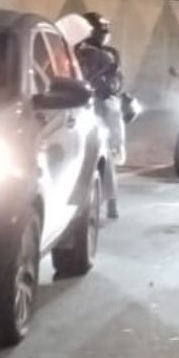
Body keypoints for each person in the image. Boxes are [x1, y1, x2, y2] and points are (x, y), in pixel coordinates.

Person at [74, 12, 125, 219]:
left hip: (82, 108)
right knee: (104, 154)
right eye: (102, 31)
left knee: (99, 153)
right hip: (89, 109)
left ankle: (109, 202)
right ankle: (110, 202)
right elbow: (114, 86)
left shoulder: (79, 53)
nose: (104, 35)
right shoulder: (101, 56)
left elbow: (114, 85)